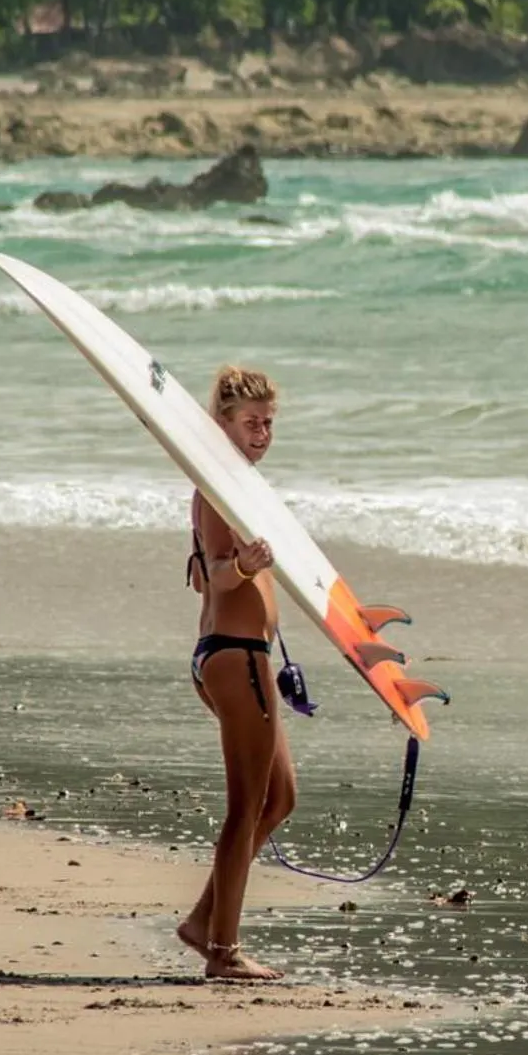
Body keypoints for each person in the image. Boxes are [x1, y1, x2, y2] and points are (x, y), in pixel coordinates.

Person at [175, 365, 296, 981]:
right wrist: (245, 567)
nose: (263, 432)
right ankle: (222, 952)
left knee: (280, 799)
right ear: (221, 423)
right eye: (252, 422)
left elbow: (200, 572)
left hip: (246, 658)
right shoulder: (217, 492)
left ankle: (203, 922)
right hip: (234, 655)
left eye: (270, 423)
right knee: (246, 806)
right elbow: (218, 573)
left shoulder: (236, 487)